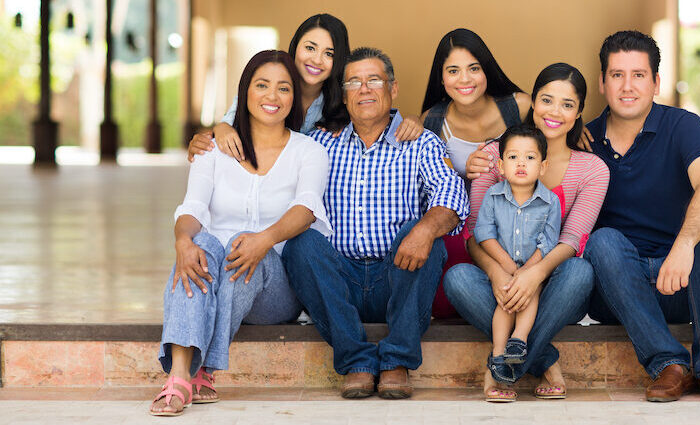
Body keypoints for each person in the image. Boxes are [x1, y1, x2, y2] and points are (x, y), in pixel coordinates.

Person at [149, 50, 331, 416]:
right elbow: (194, 207)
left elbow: (307, 208)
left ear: (294, 98)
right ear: (244, 91)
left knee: (242, 241)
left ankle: (204, 368)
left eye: (283, 88)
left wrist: (264, 239)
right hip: (216, 271)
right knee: (197, 243)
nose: (271, 96)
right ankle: (181, 377)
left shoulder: (308, 150)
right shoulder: (212, 150)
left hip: (275, 291)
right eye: (261, 85)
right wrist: (181, 240)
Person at [280, 47, 468, 400]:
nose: (364, 89)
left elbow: (452, 195)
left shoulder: (420, 142)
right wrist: (213, 138)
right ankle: (357, 362)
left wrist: (425, 229)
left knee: (425, 233)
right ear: (344, 93)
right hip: (340, 280)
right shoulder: (320, 142)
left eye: (374, 81)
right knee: (301, 244)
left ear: (393, 89)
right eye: (354, 82)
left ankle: (396, 360)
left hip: (397, 274)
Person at [581, 30, 700, 402]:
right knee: (601, 241)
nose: (627, 86)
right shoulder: (583, 139)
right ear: (602, 83)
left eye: (638, 75)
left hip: (680, 283)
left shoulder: (683, 126)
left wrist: (683, 246)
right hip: (618, 288)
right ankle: (669, 364)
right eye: (617, 75)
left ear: (655, 83)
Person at [448, 63, 609, 402]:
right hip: (501, 282)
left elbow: (572, 240)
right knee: (458, 279)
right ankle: (544, 359)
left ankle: (500, 366)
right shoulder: (496, 156)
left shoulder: (592, 169)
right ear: (532, 103)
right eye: (547, 100)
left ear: (579, 111)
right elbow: (474, 231)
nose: (555, 112)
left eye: (568, 104)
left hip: (554, 287)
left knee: (581, 272)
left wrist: (534, 275)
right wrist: (497, 272)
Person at [187, 13, 423, 161]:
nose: (316, 60)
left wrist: (412, 120)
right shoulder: (269, 84)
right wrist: (220, 128)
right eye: (310, 48)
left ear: (339, 60)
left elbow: (375, 113)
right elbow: (228, 125)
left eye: (328, 53)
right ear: (295, 46)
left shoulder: (342, 97)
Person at [419, 28, 531, 318]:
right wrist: (463, 176)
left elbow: (551, 148)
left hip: (518, 226)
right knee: (446, 301)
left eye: (473, 68)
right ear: (441, 78)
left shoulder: (519, 107)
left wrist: (578, 134)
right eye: (453, 70)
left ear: (487, 70)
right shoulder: (432, 121)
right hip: (463, 232)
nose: (464, 79)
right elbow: (430, 189)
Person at [473, 125, 561, 392]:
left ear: (543, 166)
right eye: (513, 157)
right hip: (503, 270)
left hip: (533, 272)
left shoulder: (550, 202)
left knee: (528, 292)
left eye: (530, 158)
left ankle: (519, 340)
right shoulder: (493, 196)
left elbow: (548, 243)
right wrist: (509, 269)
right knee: (506, 302)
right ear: (500, 165)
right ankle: (500, 354)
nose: (521, 163)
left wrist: (527, 273)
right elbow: (484, 234)